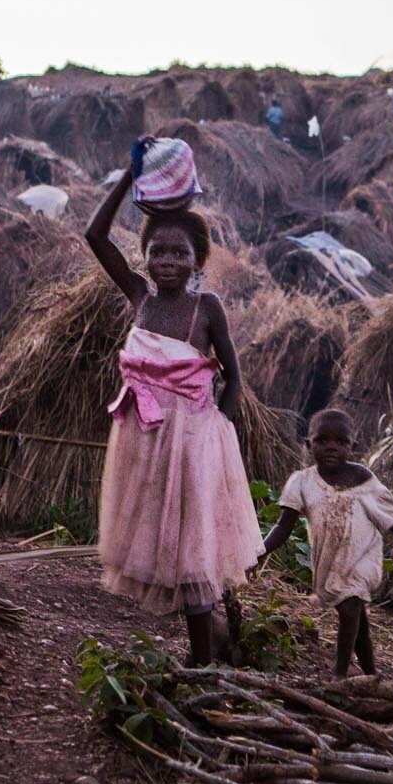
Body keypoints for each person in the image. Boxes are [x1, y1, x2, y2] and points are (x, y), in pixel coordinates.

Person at [85, 141, 260, 664]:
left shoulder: (206, 309)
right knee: (166, 545)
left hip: (192, 443)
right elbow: (95, 236)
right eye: (157, 251)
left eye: (178, 252)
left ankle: (203, 660)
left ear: (196, 259)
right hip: (142, 440)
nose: (166, 261)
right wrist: (126, 176)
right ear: (145, 256)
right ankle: (215, 643)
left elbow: (233, 376)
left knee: (193, 551)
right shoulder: (139, 297)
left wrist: (216, 431)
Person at [257, 410, 393, 678]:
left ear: (352, 447)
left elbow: (392, 519)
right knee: (358, 620)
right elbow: (283, 526)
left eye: (340, 442)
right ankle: (370, 673)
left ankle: (340, 673)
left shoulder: (365, 480)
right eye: (322, 440)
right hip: (331, 561)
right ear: (309, 445)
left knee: (350, 606)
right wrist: (260, 551)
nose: (331, 447)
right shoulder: (301, 482)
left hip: (364, 555)